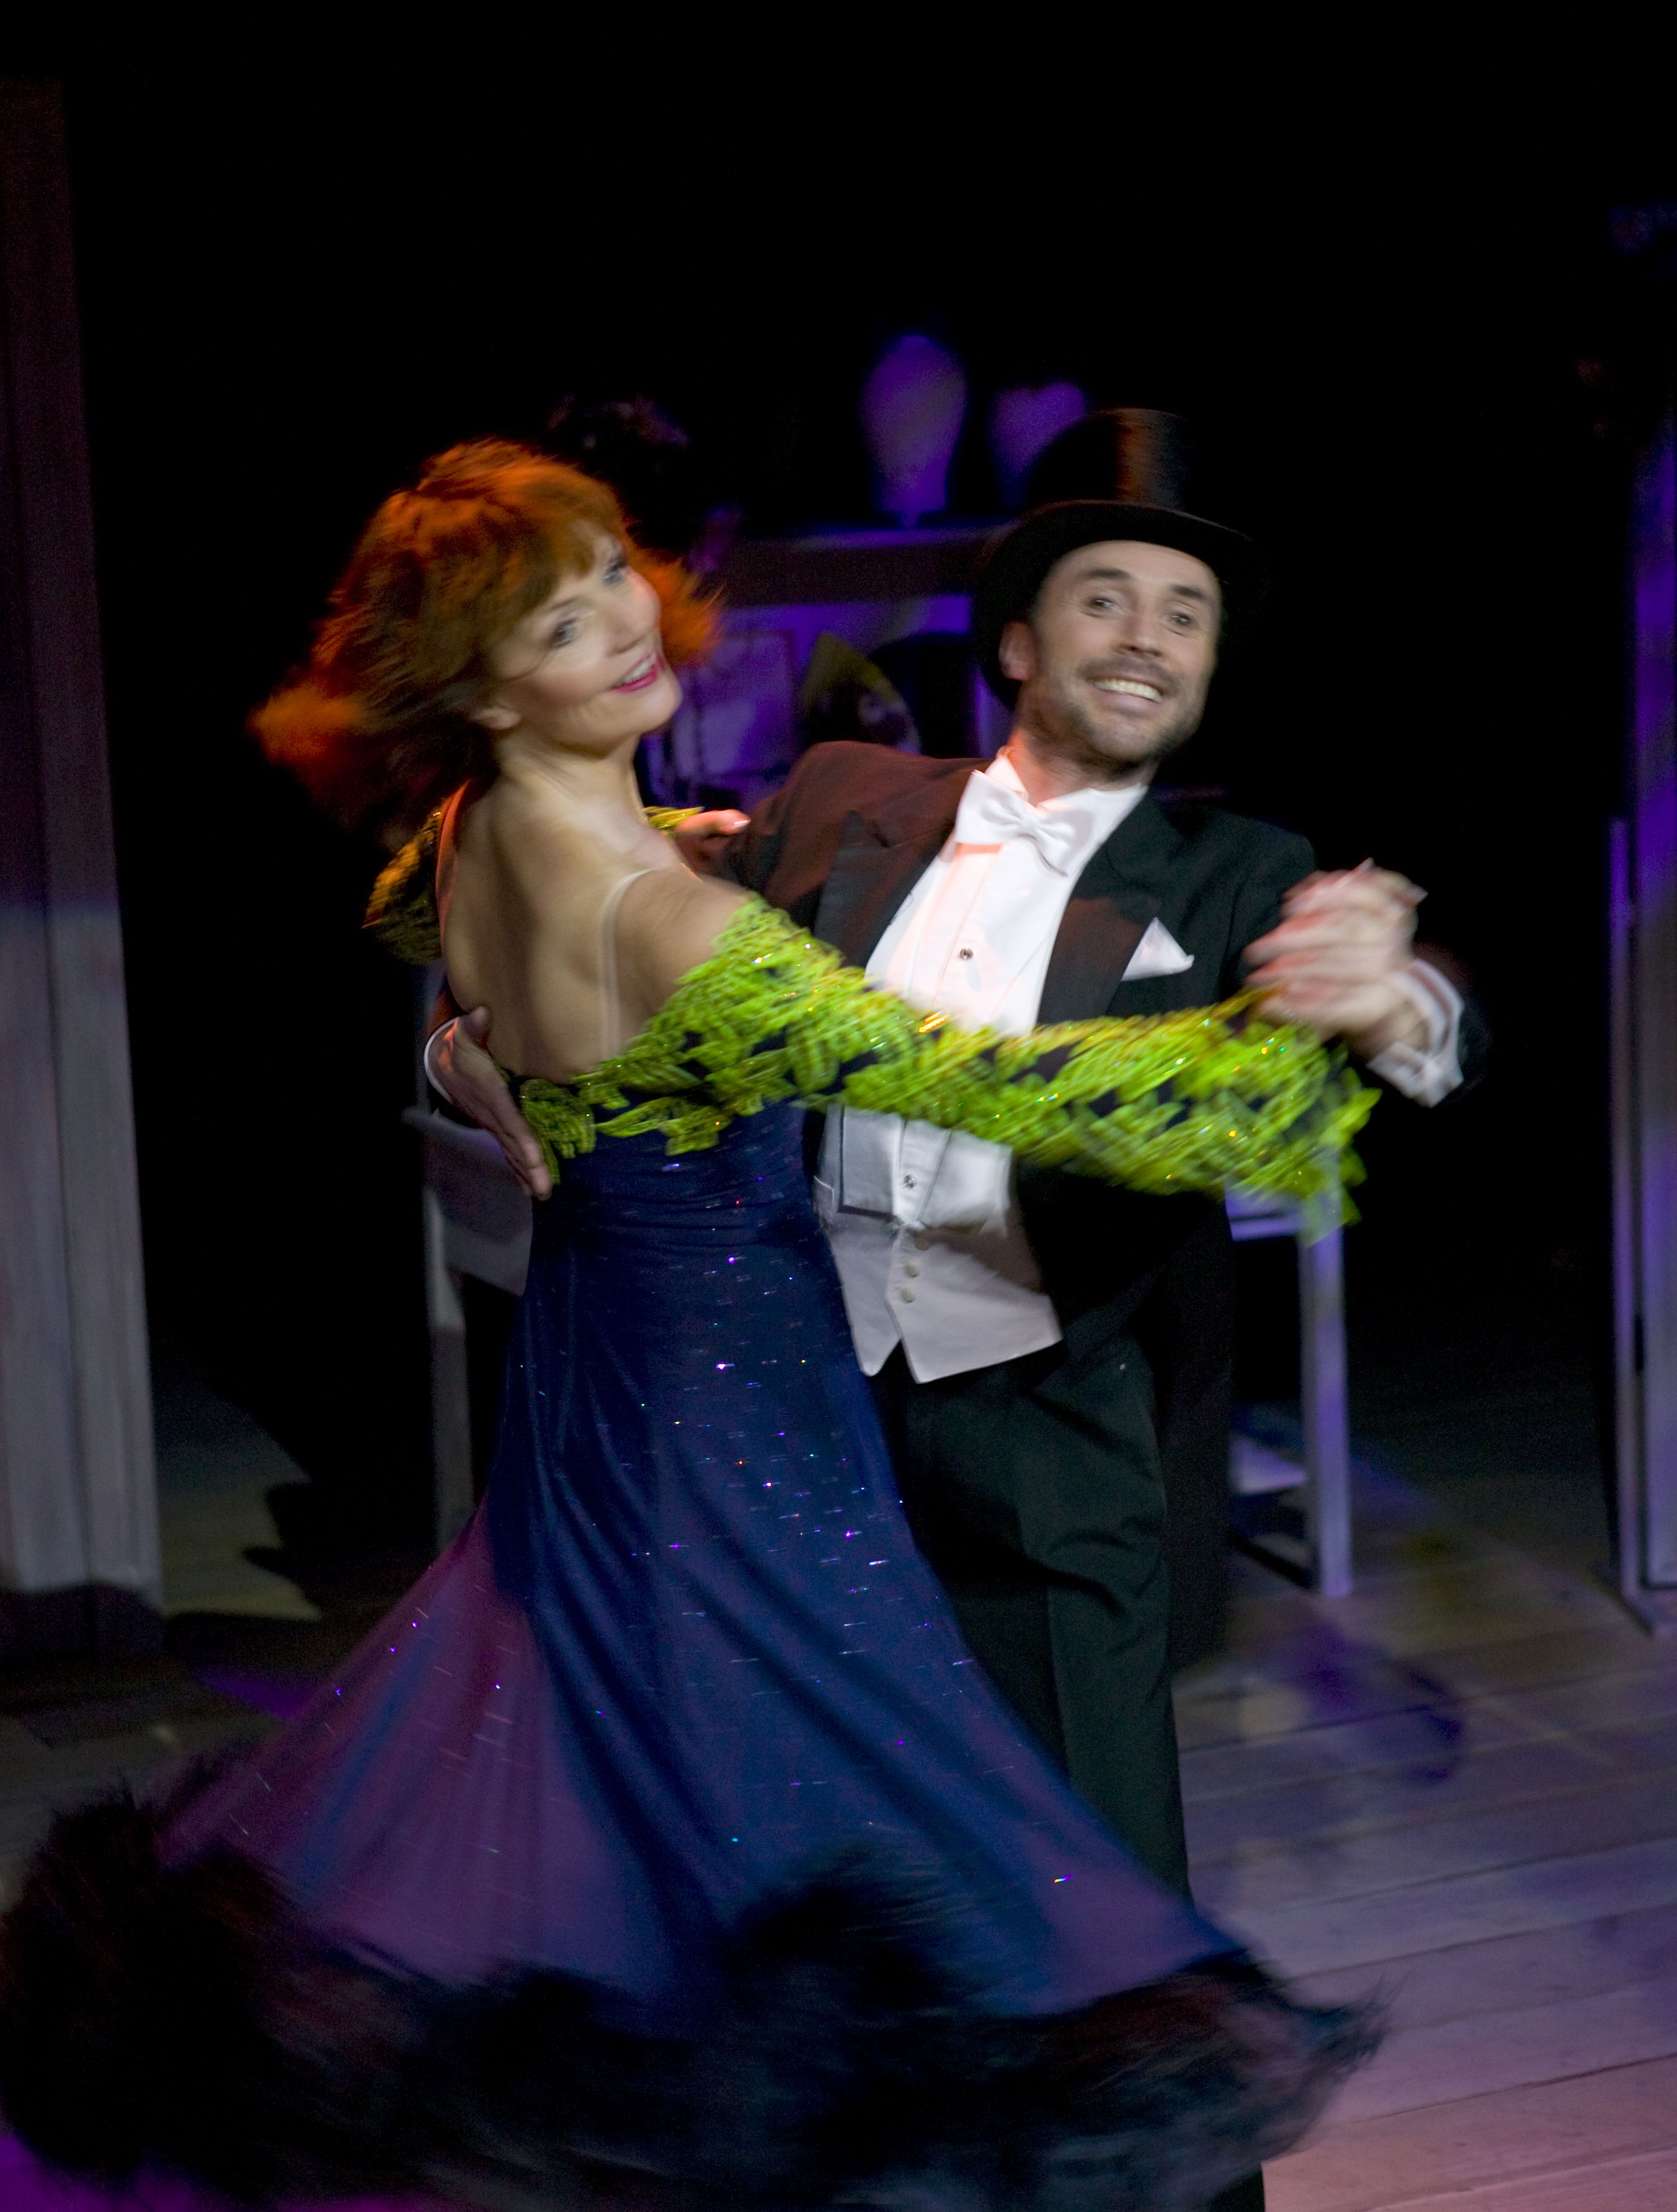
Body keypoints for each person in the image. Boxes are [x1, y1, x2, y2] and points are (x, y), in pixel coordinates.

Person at [0, 440, 1373, 2211]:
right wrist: (1283, 1053)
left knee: (613, 1730)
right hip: (741, 1402)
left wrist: (487, 1033)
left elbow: (416, 928)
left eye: (609, 573)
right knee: (805, 1776)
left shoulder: (462, 839)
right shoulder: (679, 928)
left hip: (589, 1373)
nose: (629, 621)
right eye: (563, 623)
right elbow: (999, 1083)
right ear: (485, 689)